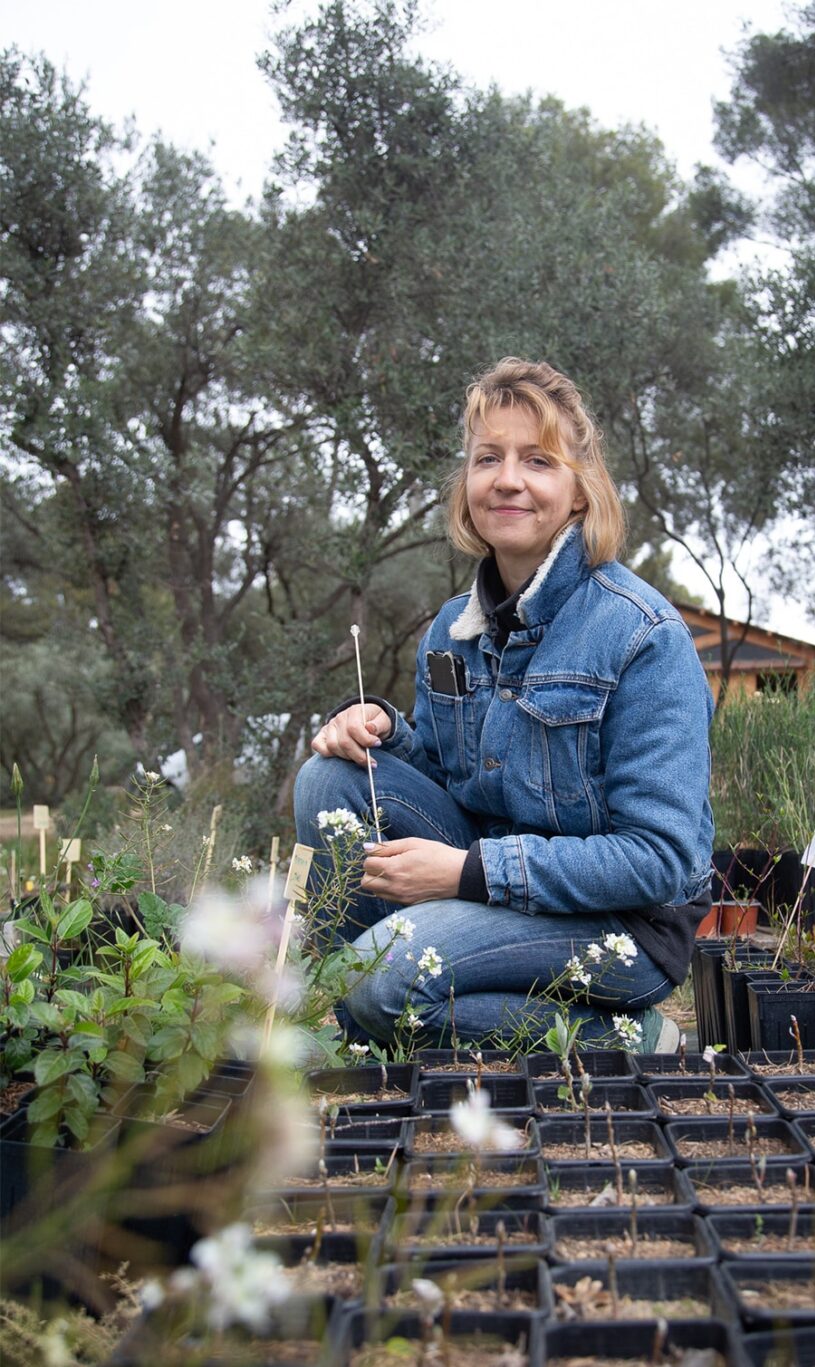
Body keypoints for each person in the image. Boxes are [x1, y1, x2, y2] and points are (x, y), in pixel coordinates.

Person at [292, 357, 712, 1053]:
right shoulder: (453, 628)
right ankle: (369, 1017)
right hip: (496, 891)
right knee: (328, 780)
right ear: (467, 484)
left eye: (538, 461)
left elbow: (659, 858)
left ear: (580, 491)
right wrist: (383, 732)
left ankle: (630, 1039)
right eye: (488, 458)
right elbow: (453, 774)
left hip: (620, 924)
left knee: (389, 972)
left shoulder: (642, 635)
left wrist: (466, 874)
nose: (507, 478)